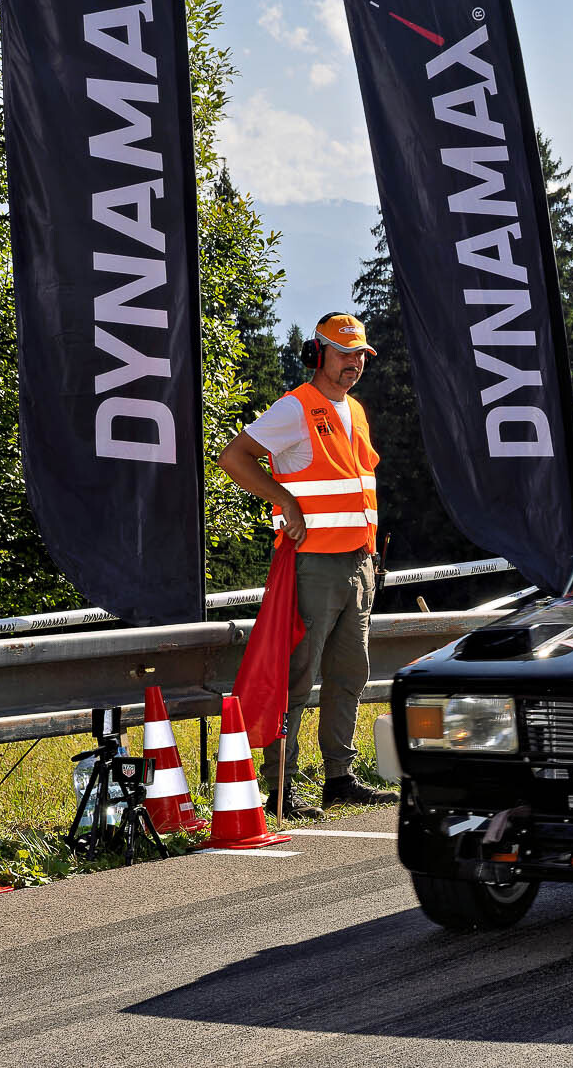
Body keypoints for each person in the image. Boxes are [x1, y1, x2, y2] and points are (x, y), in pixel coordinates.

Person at [216, 312, 390, 817]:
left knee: (349, 674)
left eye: (360, 354)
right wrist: (284, 501)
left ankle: (340, 779)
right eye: (344, 353)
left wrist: (370, 556)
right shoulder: (295, 406)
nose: (354, 363)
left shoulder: (354, 410)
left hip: (359, 562)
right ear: (318, 354)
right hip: (314, 564)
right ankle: (281, 788)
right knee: (297, 677)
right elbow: (234, 457)